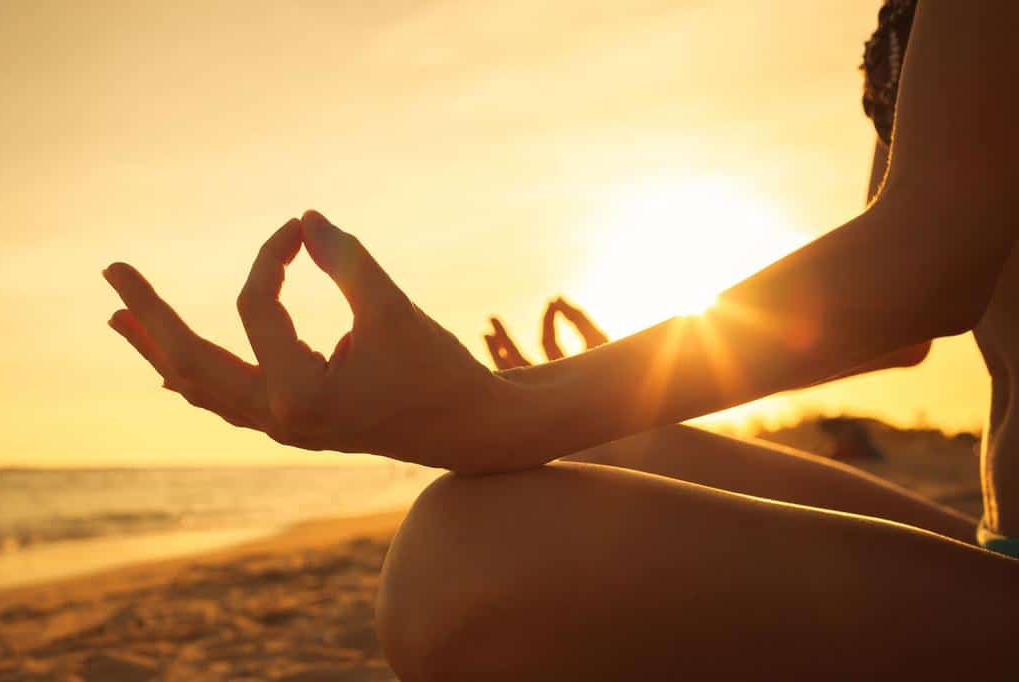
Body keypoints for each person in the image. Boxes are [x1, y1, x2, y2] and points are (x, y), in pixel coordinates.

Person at [103, 1, 1019, 678]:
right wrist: (606, 372)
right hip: (996, 537)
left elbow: (926, 266)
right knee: (618, 439)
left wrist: (498, 415)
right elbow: (905, 308)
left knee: (458, 563)